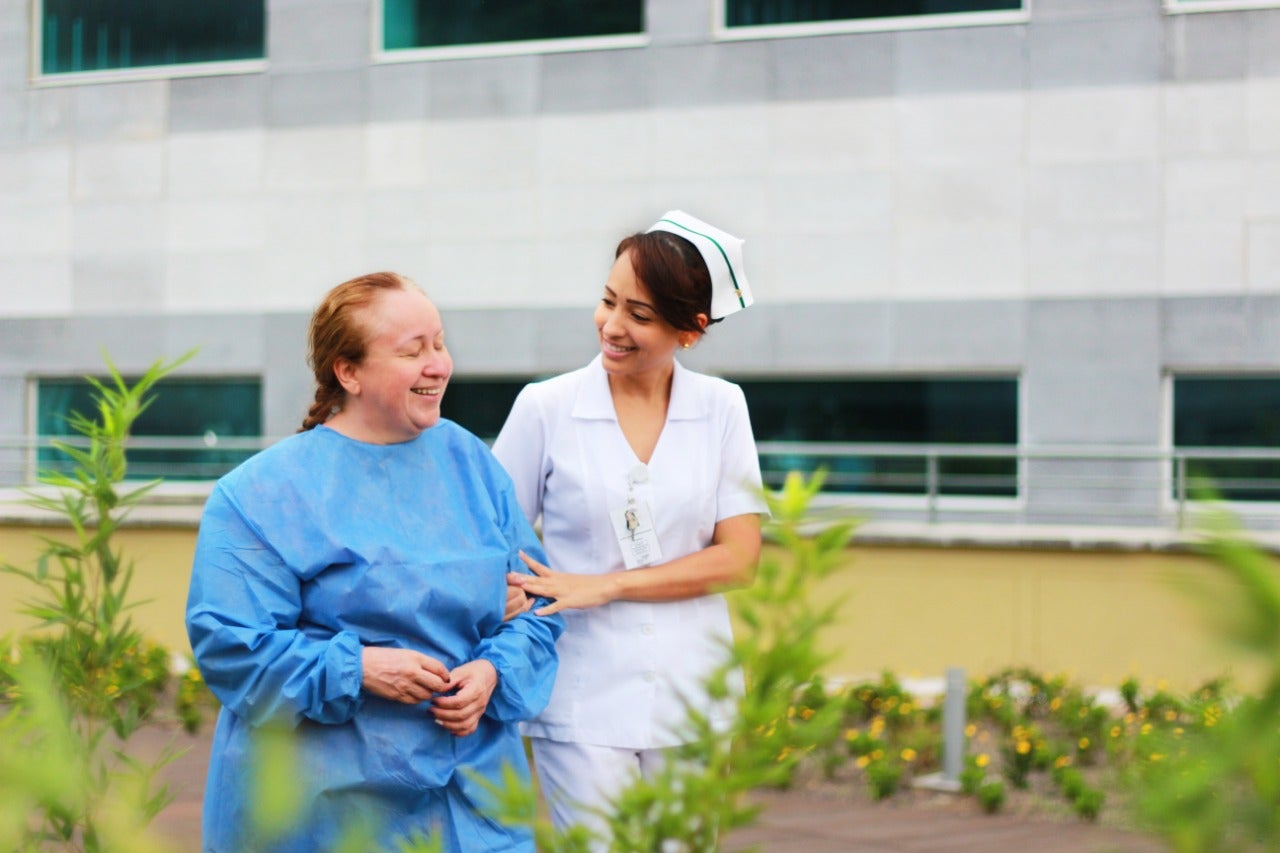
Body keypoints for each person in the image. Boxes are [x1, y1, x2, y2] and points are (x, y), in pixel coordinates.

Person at [185, 271, 563, 852]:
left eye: (439, 344)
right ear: (349, 371)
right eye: (413, 351)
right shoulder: (261, 494)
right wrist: (358, 670)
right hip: (325, 809)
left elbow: (538, 602)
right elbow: (232, 647)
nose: (438, 364)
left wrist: (492, 673)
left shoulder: (472, 464)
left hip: (471, 801)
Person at [492, 211, 767, 840]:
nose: (612, 327)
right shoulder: (546, 407)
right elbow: (491, 539)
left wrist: (605, 584)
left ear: (691, 332)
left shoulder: (723, 408)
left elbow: (739, 558)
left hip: (693, 694)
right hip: (581, 693)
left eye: (639, 316)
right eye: (608, 301)